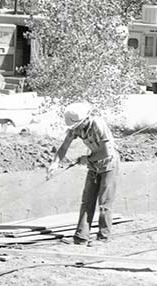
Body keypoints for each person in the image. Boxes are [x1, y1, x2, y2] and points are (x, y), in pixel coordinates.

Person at [49, 102, 120, 245]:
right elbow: (64, 147)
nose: (76, 129)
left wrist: (85, 159)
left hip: (109, 164)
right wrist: (55, 163)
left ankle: (103, 237)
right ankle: (81, 236)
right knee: (87, 200)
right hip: (94, 164)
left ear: (85, 119)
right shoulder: (76, 128)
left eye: (78, 126)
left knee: (104, 202)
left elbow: (105, 152)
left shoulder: (98, 125)